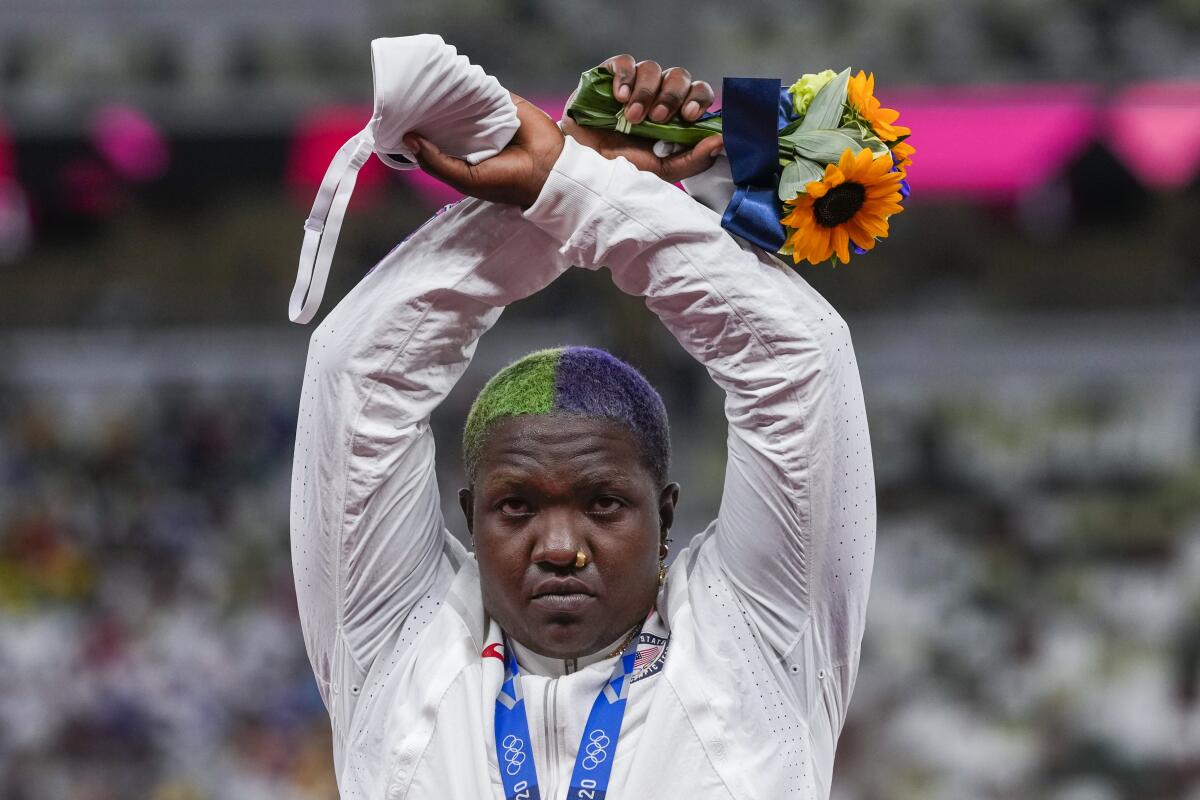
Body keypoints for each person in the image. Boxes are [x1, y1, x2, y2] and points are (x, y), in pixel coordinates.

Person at [290, 54, 876, 799]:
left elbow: (801, 361)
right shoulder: (396, 639)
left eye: (603, 504)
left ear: (664, 515)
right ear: (470, 517)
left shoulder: (758, 638)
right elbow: (360, 371)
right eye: (516, 507)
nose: (561, 548)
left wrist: (570, 184)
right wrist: (575, 181)